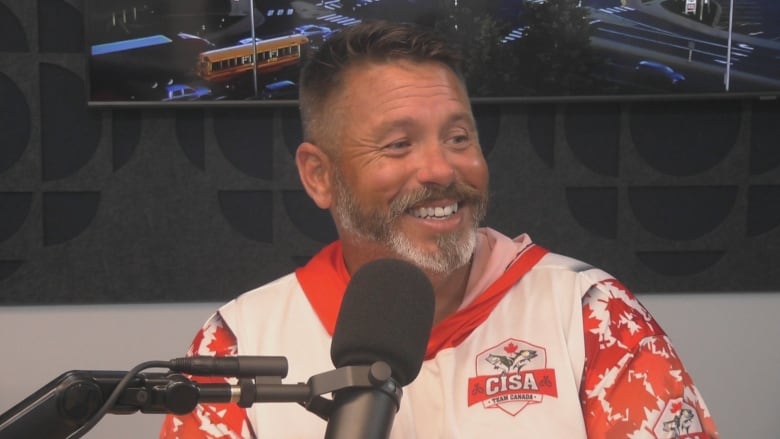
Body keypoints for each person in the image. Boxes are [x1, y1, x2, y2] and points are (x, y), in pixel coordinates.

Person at [160, 20, 718, 438]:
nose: (442, 171)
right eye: (399, 144)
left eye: (458, 138)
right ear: (320, 175)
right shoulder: (240, 343)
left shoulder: (594, 315)